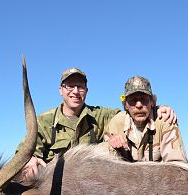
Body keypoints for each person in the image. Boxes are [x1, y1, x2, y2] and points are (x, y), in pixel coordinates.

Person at [22, 68, 178, 178]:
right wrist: (29, 159)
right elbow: (23, 152)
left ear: (86, 91)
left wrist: (157, 109)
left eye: (80, 87)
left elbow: (132, 112)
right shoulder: (44, 120)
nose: (75, 91)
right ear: (60, 90)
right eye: (70, 86)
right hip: (54, 186)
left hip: (88, 187)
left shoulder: (103, 115)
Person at [104, 76, 188, 163]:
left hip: (158, 176)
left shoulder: (165, 120)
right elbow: (104, 150)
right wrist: (112, 142)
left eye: (144, 99)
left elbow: (177, 165)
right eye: (133, 100)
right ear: (126, 105)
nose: (139, 105)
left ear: (152, 102)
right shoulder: (117, 122)